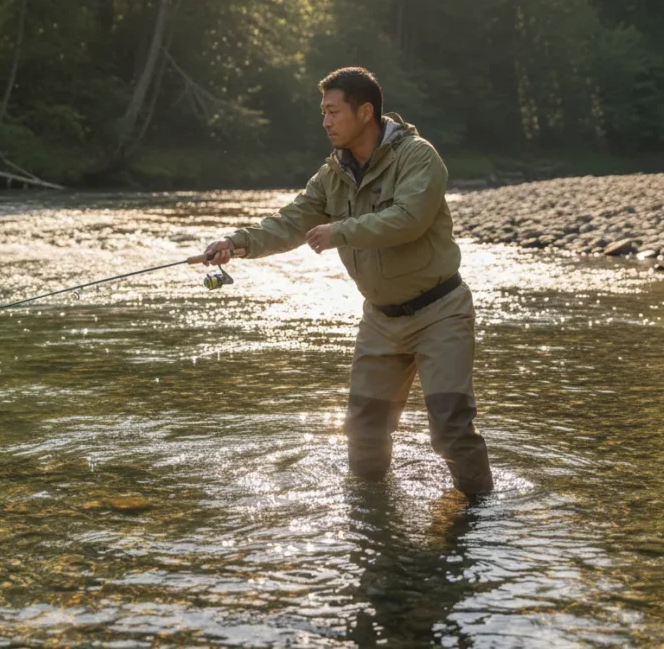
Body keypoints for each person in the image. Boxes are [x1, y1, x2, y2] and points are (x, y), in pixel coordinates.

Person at [204, 66, 493, 495]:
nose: (325, 122)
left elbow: (409, 220)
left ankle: (479, 515)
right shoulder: (331, 174)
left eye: (333, 112)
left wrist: (340, 230)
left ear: (365, 112)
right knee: (363, 432)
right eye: (323, 112)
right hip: (380, 321)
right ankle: (373, 516)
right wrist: (238, 242)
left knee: (450, 428)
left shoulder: (418, 157)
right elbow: (291, 221)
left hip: (440, 312)